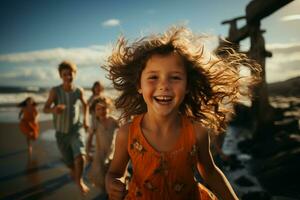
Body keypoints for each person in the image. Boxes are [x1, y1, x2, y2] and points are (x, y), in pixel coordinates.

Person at [104, 26, 261, 200]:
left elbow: (210, 172)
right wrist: (113, 183)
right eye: (153, 77)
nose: (164, 85)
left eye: (175, 77)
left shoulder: (197, 132)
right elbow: (115, 172)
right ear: (139, 86)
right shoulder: (127, 133)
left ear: (187, 86)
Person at [43, 60, 90, 194]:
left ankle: (79, 180)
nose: (68, 77)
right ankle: (73, 171)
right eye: (65, 74)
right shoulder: (55, 91)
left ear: (75, 74)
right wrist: (54, 110)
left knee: (81, 157)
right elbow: (45, 109)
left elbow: (85, 105)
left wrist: (86, 120)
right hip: (61, 133)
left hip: (76, 129)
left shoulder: (78, 90)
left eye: (71, 74)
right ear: (60, 76)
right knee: (69, 162)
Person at [87, 96, 119, 194]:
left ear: (109, 108)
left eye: (104, 108)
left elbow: (125, 130)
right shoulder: (95, 123)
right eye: (98, 109)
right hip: (99, 153)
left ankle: (111, 192)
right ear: (95, 111)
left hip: (112, 152)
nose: (102, 111)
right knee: (101, 174)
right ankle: (105, 190)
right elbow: (89, 139)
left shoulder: (113, 121)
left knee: (113, 174)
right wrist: (88, 152)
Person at [86, 81, 104, 160]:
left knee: (100, 136)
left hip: (101, 120)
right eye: (96, 87)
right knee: (91, 135)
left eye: (99, 87)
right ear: (93, 88)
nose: (98, 89)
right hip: (94, 120)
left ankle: (98, 151)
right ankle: (87, 152)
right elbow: (87, 108)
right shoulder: (92, 97)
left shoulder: (102, 97)